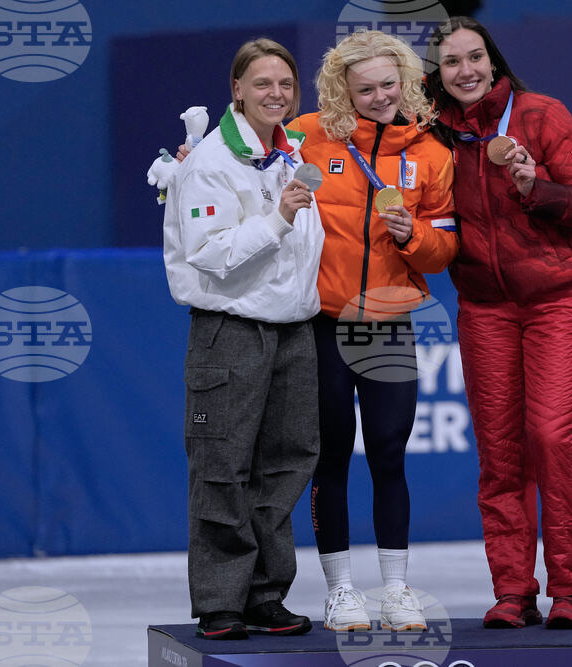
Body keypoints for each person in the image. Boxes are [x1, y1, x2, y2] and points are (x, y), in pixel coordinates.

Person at [426, 17, 572, 630]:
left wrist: (536, 186)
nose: (467, 71)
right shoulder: (435, 132)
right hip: (484, 309)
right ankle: (513, 591)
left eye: (475, 57)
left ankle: (569, 591)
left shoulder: (541, 115)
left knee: (551, 440)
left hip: (553, 302)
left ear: (493, 60)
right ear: (438, 74)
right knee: (500, 453)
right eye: (452, 62)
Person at [287, 30, 458, 633]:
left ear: (406, 81)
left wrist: (415, 236)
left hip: (387, 322)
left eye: (390, 84)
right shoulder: (306, 135)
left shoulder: (431, 153)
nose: (381, 97)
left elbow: (444, 250)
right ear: (343, 91)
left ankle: (396, 589)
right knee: (330, 456)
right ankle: (340, 591)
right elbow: (242, 162)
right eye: (366, 89)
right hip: (322, 322)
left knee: (388, 452)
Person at [162, 38, 324, 640]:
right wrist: (278, 218)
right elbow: (208, 255)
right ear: (237, 90)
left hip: (293, 330)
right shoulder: (210, 161)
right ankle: (221, 601)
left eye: (285, 84)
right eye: (262, 83)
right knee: (222, 468)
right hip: (231, 330)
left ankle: (264, 593)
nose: (276, 94)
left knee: (285, 466)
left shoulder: (290, 152)